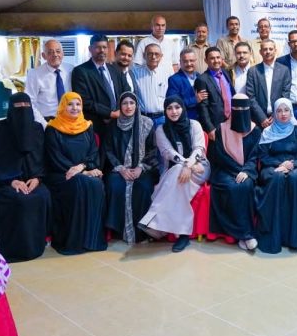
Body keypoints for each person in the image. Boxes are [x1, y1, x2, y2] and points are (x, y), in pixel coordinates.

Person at [0, 92, 51, 262]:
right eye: (18, 107)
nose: (23, 110)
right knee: (19, 201)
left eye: (27, 106)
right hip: (3, 181)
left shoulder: (37, 129)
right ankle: (13, 248)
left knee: (42, 196)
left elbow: (42, 158)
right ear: (11, 109)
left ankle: (34, 245)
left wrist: (37, 178)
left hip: (33, 180)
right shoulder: (1, 128)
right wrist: (12, 180)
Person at [138, 96, 210, 252]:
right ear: (165, 111)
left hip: (200, 168)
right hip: (175, 170)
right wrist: (186, 165)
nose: (174, 111)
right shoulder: (161, 130)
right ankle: (183, 234)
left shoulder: (194, 125)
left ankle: (153, 221)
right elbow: (168, 153)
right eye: (169, 108)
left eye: (177, 107)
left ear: (183, 108)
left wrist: (189, 165)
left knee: (177, 172)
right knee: (178, 173)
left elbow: (199, 149)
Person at [43, 92, 107, 255]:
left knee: (96, 183)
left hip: (83, 171)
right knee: (80, 182)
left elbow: (93, 153)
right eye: (70, 104)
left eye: (78, 104)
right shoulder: (52, 128)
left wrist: (83, 168)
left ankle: (92, 241)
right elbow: (54, 157)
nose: (74, 108)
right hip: (60, 174)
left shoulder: (87, 126)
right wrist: (81, 172)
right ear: (63, 107)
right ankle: (73, 243)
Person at [250, 98, 297, 253]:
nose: (283, 114)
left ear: (291, 112)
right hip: (272, 167)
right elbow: (263, 157)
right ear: (274, 114)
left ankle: (296, 238)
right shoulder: (267, 132)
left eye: (286, 110)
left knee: (295, 178)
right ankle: (273, 237)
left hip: (296, 166)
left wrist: (291, 164)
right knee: (276, 178)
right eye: (279, 111)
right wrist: (281, 165)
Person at [208, 94, 261, 252]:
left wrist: (246, 170)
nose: (240, 111)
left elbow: (255, 156)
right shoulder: (222, 129)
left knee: (245, 186)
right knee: (232, 187)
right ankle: (245, 235)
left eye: (243, 108)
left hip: (247, 171)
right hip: (225, 170)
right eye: (236, 108)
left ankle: (243, 235)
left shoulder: (255, 130)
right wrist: (238, 169)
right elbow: (219, 155)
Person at [104, 92, 158, 244]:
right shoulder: (113, 125)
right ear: (119, 106)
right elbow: (108, 150)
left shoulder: (147, 123)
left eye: (131, 103)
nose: (128, 107)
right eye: (125, 103)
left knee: (144, 187)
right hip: (118, 168)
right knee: (115, 186)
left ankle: (142, 231)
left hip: (143, 168)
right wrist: (121, 168)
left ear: (136, 105)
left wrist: (141, 167)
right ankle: (118, 230)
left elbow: (152, 149)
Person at [71, 34, 129, 146]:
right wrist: (110, 113)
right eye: (98, 47)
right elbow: (84, 101)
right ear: (90, 49)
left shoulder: (115, 69)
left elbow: (127, 92)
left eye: (104, 47)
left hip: (119, 124)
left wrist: (121, 111)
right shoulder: (80, 71)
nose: (102, 50)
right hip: (96, 126)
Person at [25, 39, 73, 125]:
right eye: (50, 52)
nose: (55, 55)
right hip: (47, 121)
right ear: (44, 56)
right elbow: (30, 102)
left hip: (69, 120)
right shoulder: (34, 74)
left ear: (63, 54)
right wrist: (44, 124)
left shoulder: (71, 69)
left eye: (58, 51)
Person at [245, 39, 291, 128]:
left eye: (270, 49)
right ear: (260, 52)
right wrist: (262, 118)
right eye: (265, 49)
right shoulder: (253, 71)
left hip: (278, 118)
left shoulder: (284, 70)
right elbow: (251, 97)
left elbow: (285, 95)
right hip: (258, 120)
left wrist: (275, 115)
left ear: (275, 51)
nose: (268, 51)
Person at [195, 47, 236, 142]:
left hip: (232, 121)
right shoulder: (202, 79)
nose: (216, 61)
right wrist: (210, 128)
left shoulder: (226, 73)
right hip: (216, 124)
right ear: (206, 60)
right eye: (212, 58)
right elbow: (203, 107)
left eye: (218, 57)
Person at [133, 43, 168, 126]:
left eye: (157, 54)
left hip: (162, 118)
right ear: (144, 55)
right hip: (143, 118)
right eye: (150, 54)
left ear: (161, 56)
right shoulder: (134, 73)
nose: (153, 57)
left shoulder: (167, 73)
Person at [166, 48, 203, 121]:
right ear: (180, 62)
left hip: (202, 120)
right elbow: (173, 103)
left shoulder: (200, 76)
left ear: (195, 61)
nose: (189, 64)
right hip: (185, 120)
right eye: (185, 61)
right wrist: (195, 100)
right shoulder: (174, 79)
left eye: (191, 60)